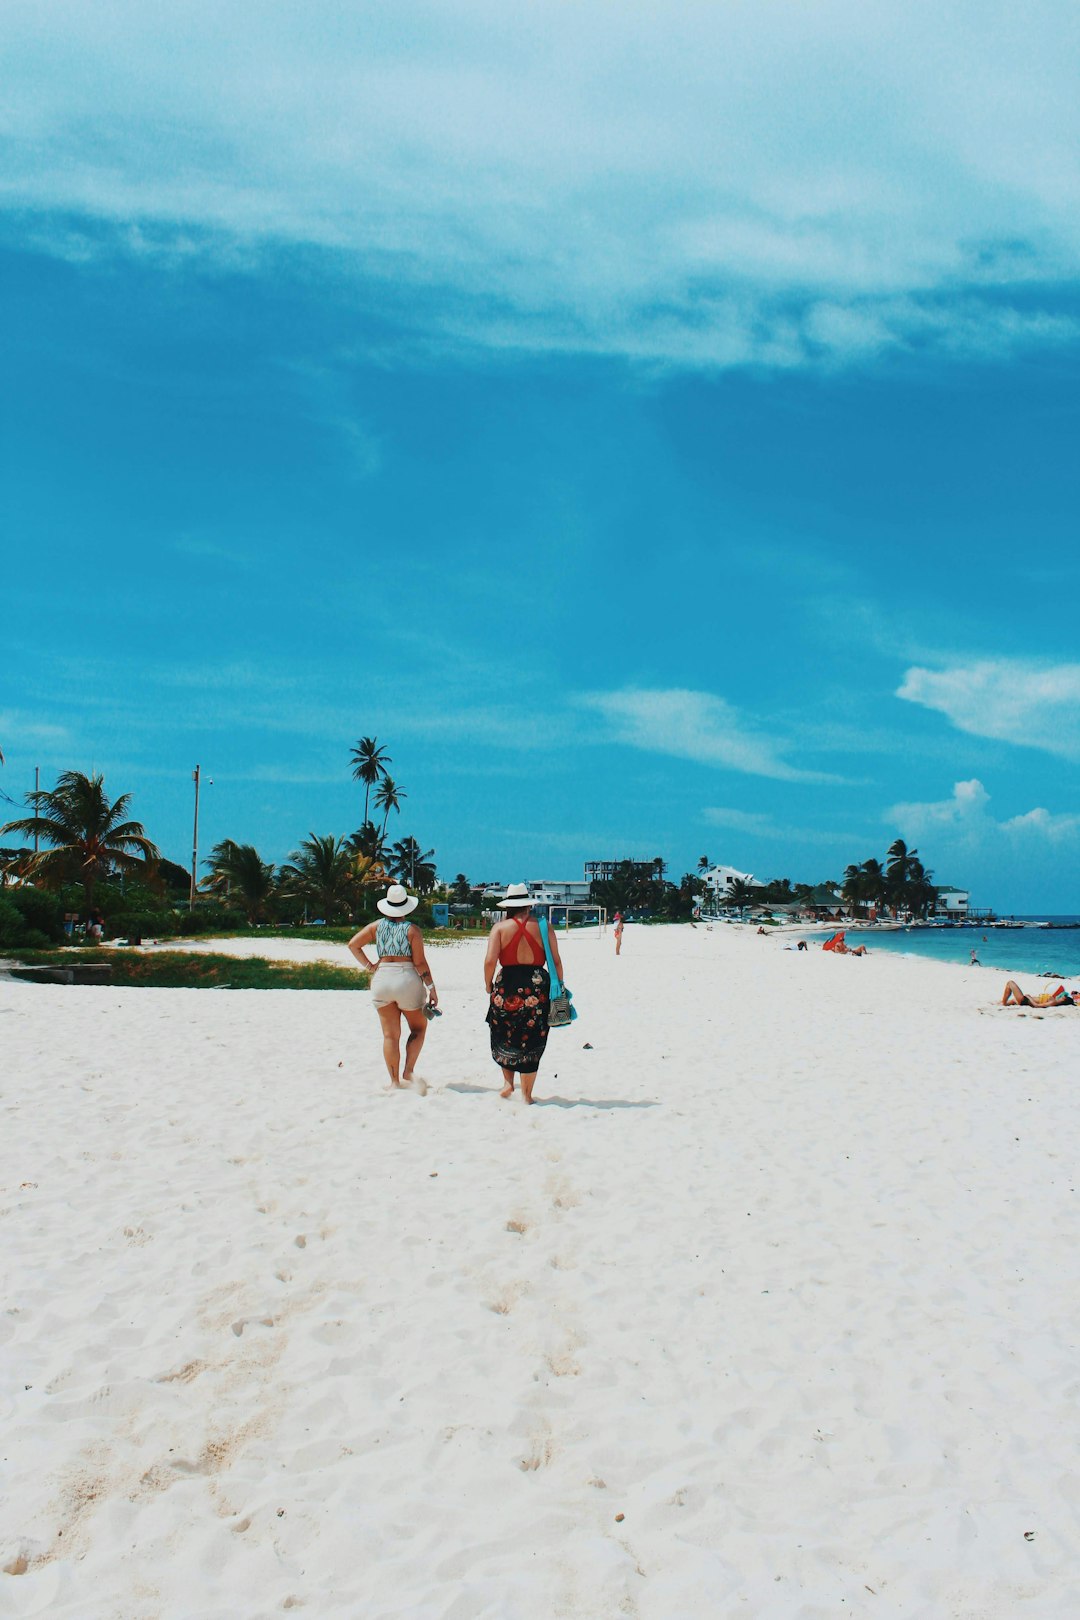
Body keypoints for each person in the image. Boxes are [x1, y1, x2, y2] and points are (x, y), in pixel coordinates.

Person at [348, 885, 438, 1089]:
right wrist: (431, 987)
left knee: (390, 1035)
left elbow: (353, 944)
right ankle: (408, 1070)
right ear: (406, 907)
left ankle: (394, 1081)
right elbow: (420, 963)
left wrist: (370, 966)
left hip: (382, 979)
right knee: (418, 1028)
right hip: (406, 978)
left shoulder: (375, 927)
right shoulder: (412, 930)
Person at [484, 882, 564, 1104]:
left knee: (503, 1031)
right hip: (537, 985)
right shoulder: (543, 926)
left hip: (506, 983)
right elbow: (555, 960)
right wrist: (561, 986)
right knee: (533, 1037)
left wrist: (488, 984)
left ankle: (508, 1083)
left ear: (508, 906)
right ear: (528, 905)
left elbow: (490, 960)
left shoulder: (499, 928)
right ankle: (527, 1095)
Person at [1001, 979, 1076, 1007]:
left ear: (1063, 1000)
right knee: (1013, 1001)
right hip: (1025, 1000)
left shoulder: (1053, 1002)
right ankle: (1004, 1003)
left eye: (1062, 997)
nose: (1060, 996)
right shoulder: (1054, 1001)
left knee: (1010, 983)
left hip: (1025, 1001)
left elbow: (1036, 1005)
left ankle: (1003, 1003)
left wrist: (1029, 997)